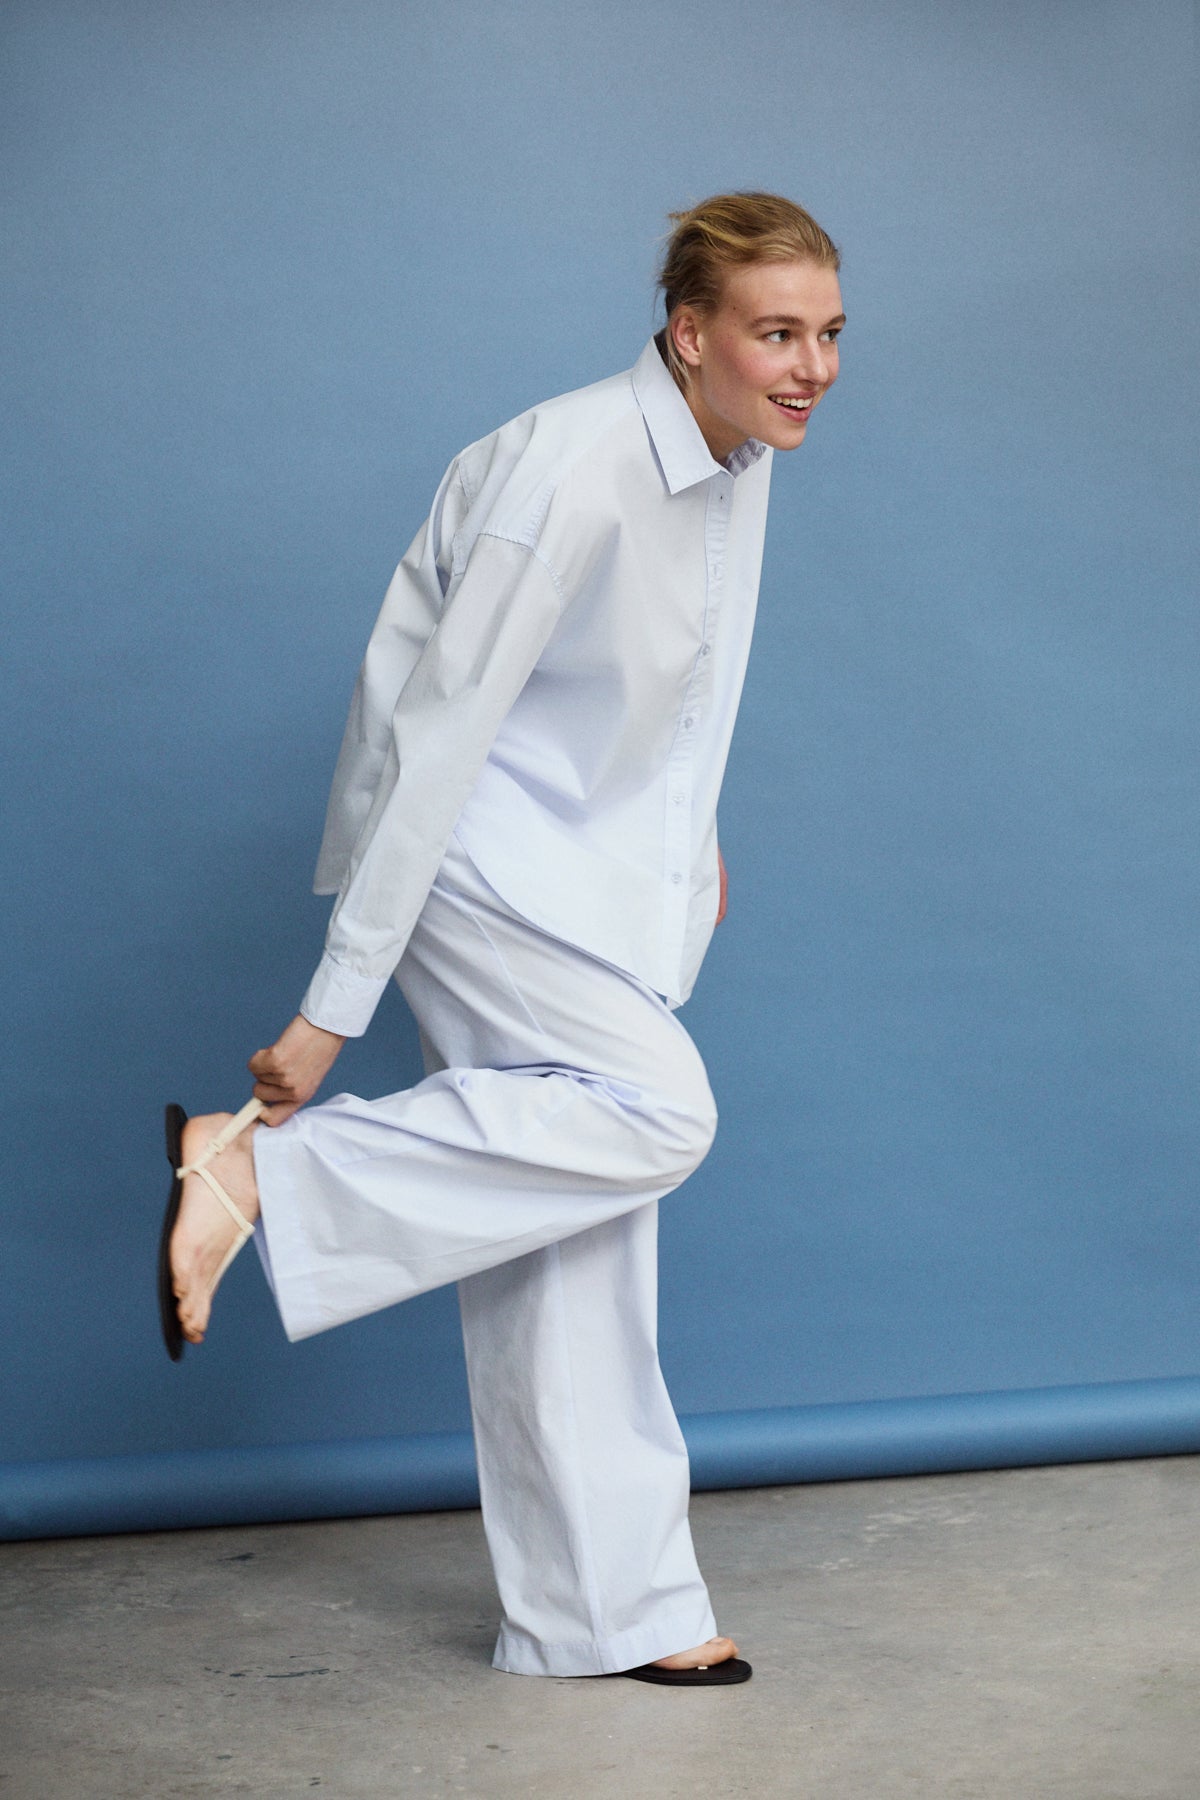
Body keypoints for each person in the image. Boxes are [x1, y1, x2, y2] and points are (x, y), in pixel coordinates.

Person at [160, 191, 845, 1686]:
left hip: (584, 863)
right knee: (656, 1112)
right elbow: (437, 737)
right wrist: (332, 1012)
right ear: (691, 335)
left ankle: (600, 1616)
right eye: (777, 333)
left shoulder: (738, 456)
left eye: (829, 333)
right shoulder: (572, 469)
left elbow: (680, 686)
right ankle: (258, 1169)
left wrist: (686, 847)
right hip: (466, 856)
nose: (812, 368)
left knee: (569, 1225)